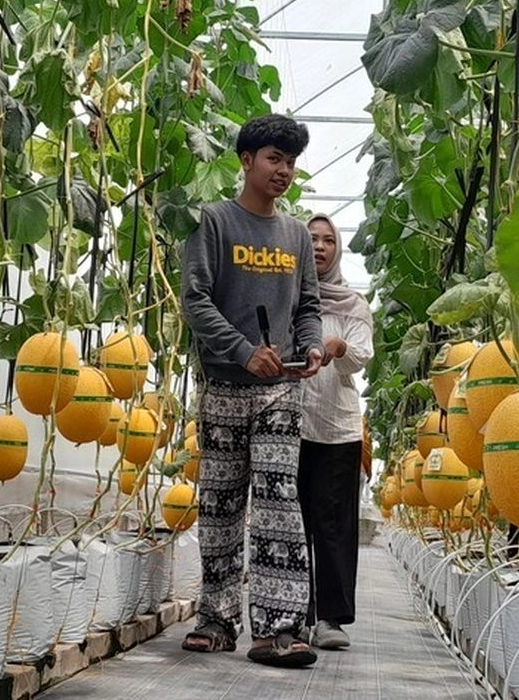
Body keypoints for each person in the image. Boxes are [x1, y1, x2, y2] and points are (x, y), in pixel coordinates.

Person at [179, 114, 325, 668]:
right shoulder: (213, 223)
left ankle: (280, 628)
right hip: (224, 383)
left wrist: (308, 346)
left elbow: (307, 307)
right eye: (273, 159)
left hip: (282, 390)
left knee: (277, 501)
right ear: (246, 161)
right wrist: (244, 351)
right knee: (219, 501)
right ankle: (216, 619)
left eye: (290, 161)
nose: (283, 170)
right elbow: (196, 300)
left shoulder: (294, 234)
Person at [297, 214, 374, 650]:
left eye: (329, 240)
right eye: (312, 239)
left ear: (337, 249)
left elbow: (362, 354)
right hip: (293, 420)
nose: (321, 247)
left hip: (338, 427)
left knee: (332, 523)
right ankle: (295, 612)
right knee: (295, 520)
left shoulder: (353, 304)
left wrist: (339, 348)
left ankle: (330, 619)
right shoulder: (291, 294)